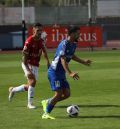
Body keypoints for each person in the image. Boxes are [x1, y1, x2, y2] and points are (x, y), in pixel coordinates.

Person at [41, 26, 92, 119]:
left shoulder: (74, 44)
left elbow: (72, 55)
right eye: (77, 33)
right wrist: (70, 73)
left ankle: (48, 101)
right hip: (54, 72)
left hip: (61, 73)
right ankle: (46, 113)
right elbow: (63, 60)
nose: (79, 35)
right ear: (72, 34)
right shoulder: (64, 44)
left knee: (67, 94)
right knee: (59, 94)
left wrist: (83, 62)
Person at [8, 23, 50, 109]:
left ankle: (13, 90)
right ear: (33, 31)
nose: (39, 32)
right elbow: (24, 58)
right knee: (33, 81)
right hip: (27, 63)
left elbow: (44, 52)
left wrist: (48, 62)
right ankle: (29, 104)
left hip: (35, 65)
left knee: (29, 85)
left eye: (41, 30)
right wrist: (28, 70)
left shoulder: (41, 41)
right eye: (38, 30)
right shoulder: (29, 41)